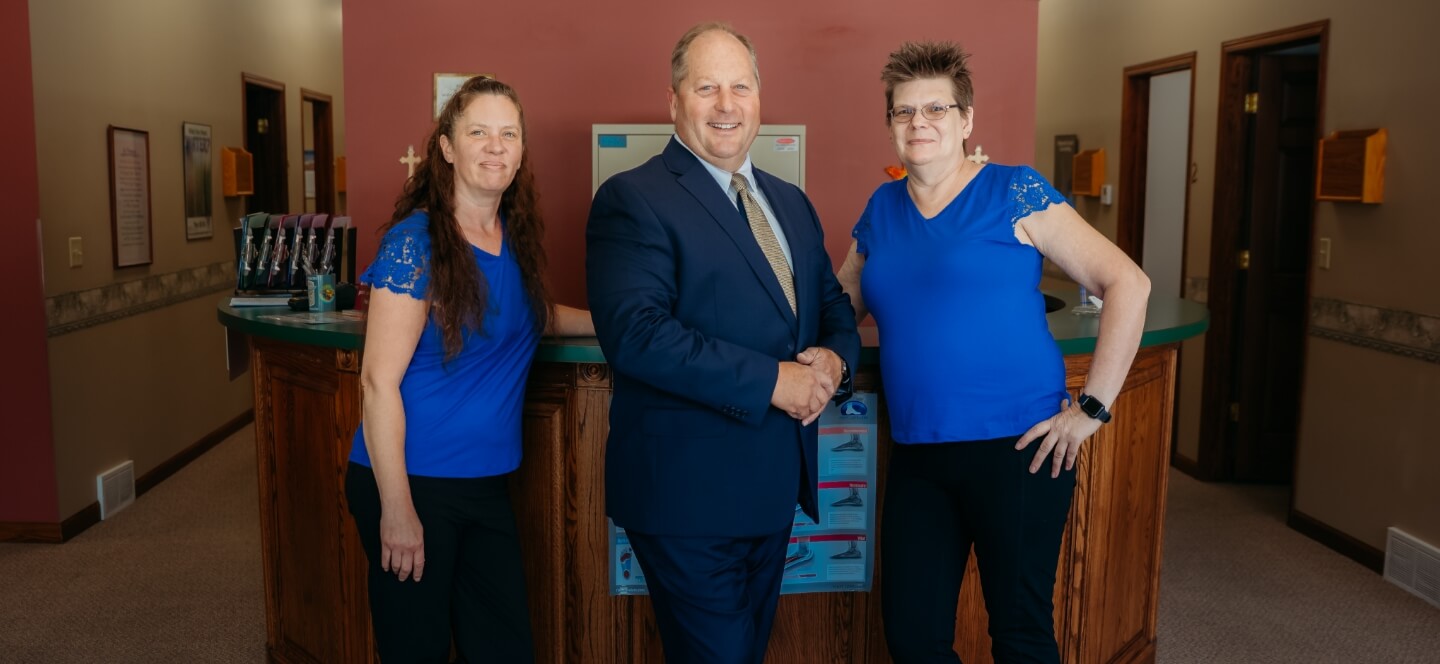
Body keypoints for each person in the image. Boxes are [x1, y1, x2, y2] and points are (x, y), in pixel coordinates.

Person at [835, 42, 1151, 663]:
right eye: (904, 112)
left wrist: (1092, 409)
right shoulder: (881, 209)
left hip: (1020, 452)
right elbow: (839, 309)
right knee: (913, 638)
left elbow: (1127, 283)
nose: (919, 123)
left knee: (1019, 632)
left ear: (966, 119)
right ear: (891, 124)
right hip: (919, 455)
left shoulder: (1015, 191)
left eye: (936, 109)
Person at [585, 22, 861, 664]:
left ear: (760, 98)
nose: (726, 104)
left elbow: (831, 307)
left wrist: (834, 357)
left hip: (771, 492)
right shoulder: (633, 197)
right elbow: (637, 335)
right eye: (706, 87)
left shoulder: (791, 204)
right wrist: (776, 380)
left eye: (740, 86)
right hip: (686, 497)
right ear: (674, 102)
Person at [345, 76, 594, 664]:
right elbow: (377, 382)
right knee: (417, 652)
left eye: (508, 134)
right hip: (412, 484)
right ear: (448, 148)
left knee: (505, 649)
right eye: (478, 132)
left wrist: (620, 324)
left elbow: (532, 315)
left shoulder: (513, 234)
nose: (495, 146)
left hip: (485, 487)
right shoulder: (416, 242)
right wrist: (397, 510)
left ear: (521, 151)